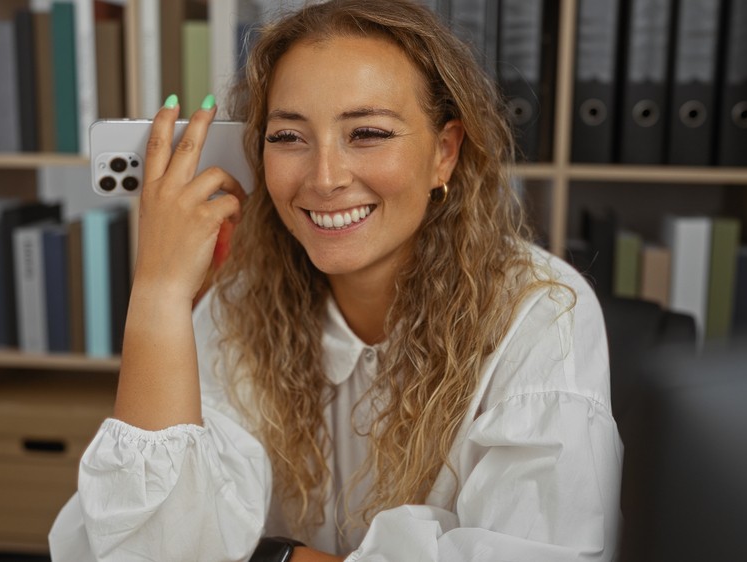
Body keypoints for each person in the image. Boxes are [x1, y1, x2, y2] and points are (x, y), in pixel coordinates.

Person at [49, 1, 622, 560]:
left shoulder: (542, 311)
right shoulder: (241, 304)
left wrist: (274, 556)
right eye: (288, 137)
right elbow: (148, 549)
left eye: (367, 133)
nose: (324, 179)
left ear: (444, 153)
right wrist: (160, 291)